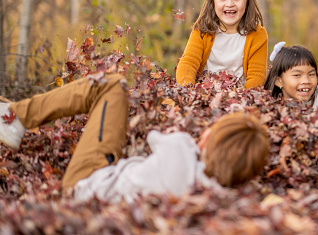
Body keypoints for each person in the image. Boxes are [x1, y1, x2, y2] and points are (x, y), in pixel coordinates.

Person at [0, 74, 270, 203]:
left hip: (88, 182)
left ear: (211, 138)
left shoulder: (182, 150)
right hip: (104, 199)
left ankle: (15, 117)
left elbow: (154, 137)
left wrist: (193, 141)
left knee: (111, 86)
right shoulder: (219, 198)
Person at [176, 0, 268, 89]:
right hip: (204, 94)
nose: (229, 4)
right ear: (213, 1)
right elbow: (188, 63)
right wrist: (188, 90)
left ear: (247, 1)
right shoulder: (203, 30)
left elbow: (257, 76)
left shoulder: (257, 34)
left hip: (240, 96)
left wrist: (243, 97)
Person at [264, 43, 318, 124]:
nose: (306, 81)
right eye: (297, 75)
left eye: (311, 74)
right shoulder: (270, 107)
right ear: (279, 81)